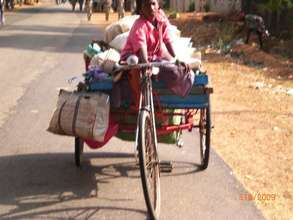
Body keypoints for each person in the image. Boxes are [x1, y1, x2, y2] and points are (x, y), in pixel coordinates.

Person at [119, 0, 193, 108]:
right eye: (146, 5)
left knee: (177, 69)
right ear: (141, 9)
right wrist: (146, 65)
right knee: (136, 65)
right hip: (135, 56)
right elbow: (141, 49)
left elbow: (167, 40)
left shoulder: (161, 19)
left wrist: (176, 59)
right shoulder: (139, 26)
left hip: (153, 57)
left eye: (153, 4)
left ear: (158, 6)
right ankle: (141, 104)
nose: (151, 8)